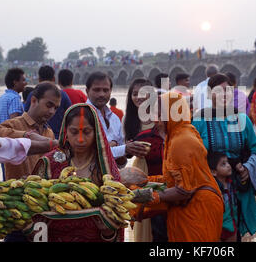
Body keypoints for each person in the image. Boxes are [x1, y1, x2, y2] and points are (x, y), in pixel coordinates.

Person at [0, 75, 55, 242]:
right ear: (34, 101)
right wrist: (28, 136)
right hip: (16, 202)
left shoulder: (48, 132)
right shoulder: (15, 123)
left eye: (55, 108)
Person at [135, 92, 224, 241]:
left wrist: (152, 196)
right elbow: (173, 178)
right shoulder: (178, 133)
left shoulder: (181, 141)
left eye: (159, 114)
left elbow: (184, 190)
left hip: (198, 207)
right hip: (191, 204)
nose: (155, 121)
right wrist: (144, 181)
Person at [31, 103, 123, 242]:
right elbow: (34, 213)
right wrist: (38, 231)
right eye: (74, 132)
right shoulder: (49, 163)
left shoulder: (105, 166)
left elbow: (117, 218)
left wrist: (108, 232)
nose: (80, 139)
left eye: (86, 132)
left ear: (96, 132)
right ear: (65, 131)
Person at [192, 73, 256, 240]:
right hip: (208, 187)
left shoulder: (242, 119)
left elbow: (254, 150)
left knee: (233, 232)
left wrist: (247, 168)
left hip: (237, 186)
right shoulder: (199, 121)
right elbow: (191, 154)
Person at [123, 78, 161, 242]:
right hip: (140, 170)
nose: (138, 97)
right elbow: (128, 155)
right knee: (144, 216)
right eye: (134, 93)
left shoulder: (160, 117)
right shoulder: (130, 119)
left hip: (160, 167)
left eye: (143, 93)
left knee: (160, 214)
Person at [85, 72, 148, 166]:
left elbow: (121, 164)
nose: (101, 94)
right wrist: (123, 149)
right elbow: (89, 153)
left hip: (111, 177)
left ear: (111, 91)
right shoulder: (82, 115)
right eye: (96, 90)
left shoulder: (114, 119)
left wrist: (126, 150)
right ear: (87, 91)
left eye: (105, 90)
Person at [24, 66, 72, 139]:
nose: (52, 112)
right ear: (54, 79)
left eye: (56, 108)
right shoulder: (63, 95)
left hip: (37, 138)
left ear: (39, 79)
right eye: (48, 105)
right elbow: (70, 116)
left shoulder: (32, 94)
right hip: (57, 138)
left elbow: (26, 114)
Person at [207, 152, 239, 242]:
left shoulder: (231, 183)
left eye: (228, 162)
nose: (228, 166)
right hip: (218, 227)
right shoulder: (213, 188)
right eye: (223, 164)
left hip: (231, 225)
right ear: (213, 172)